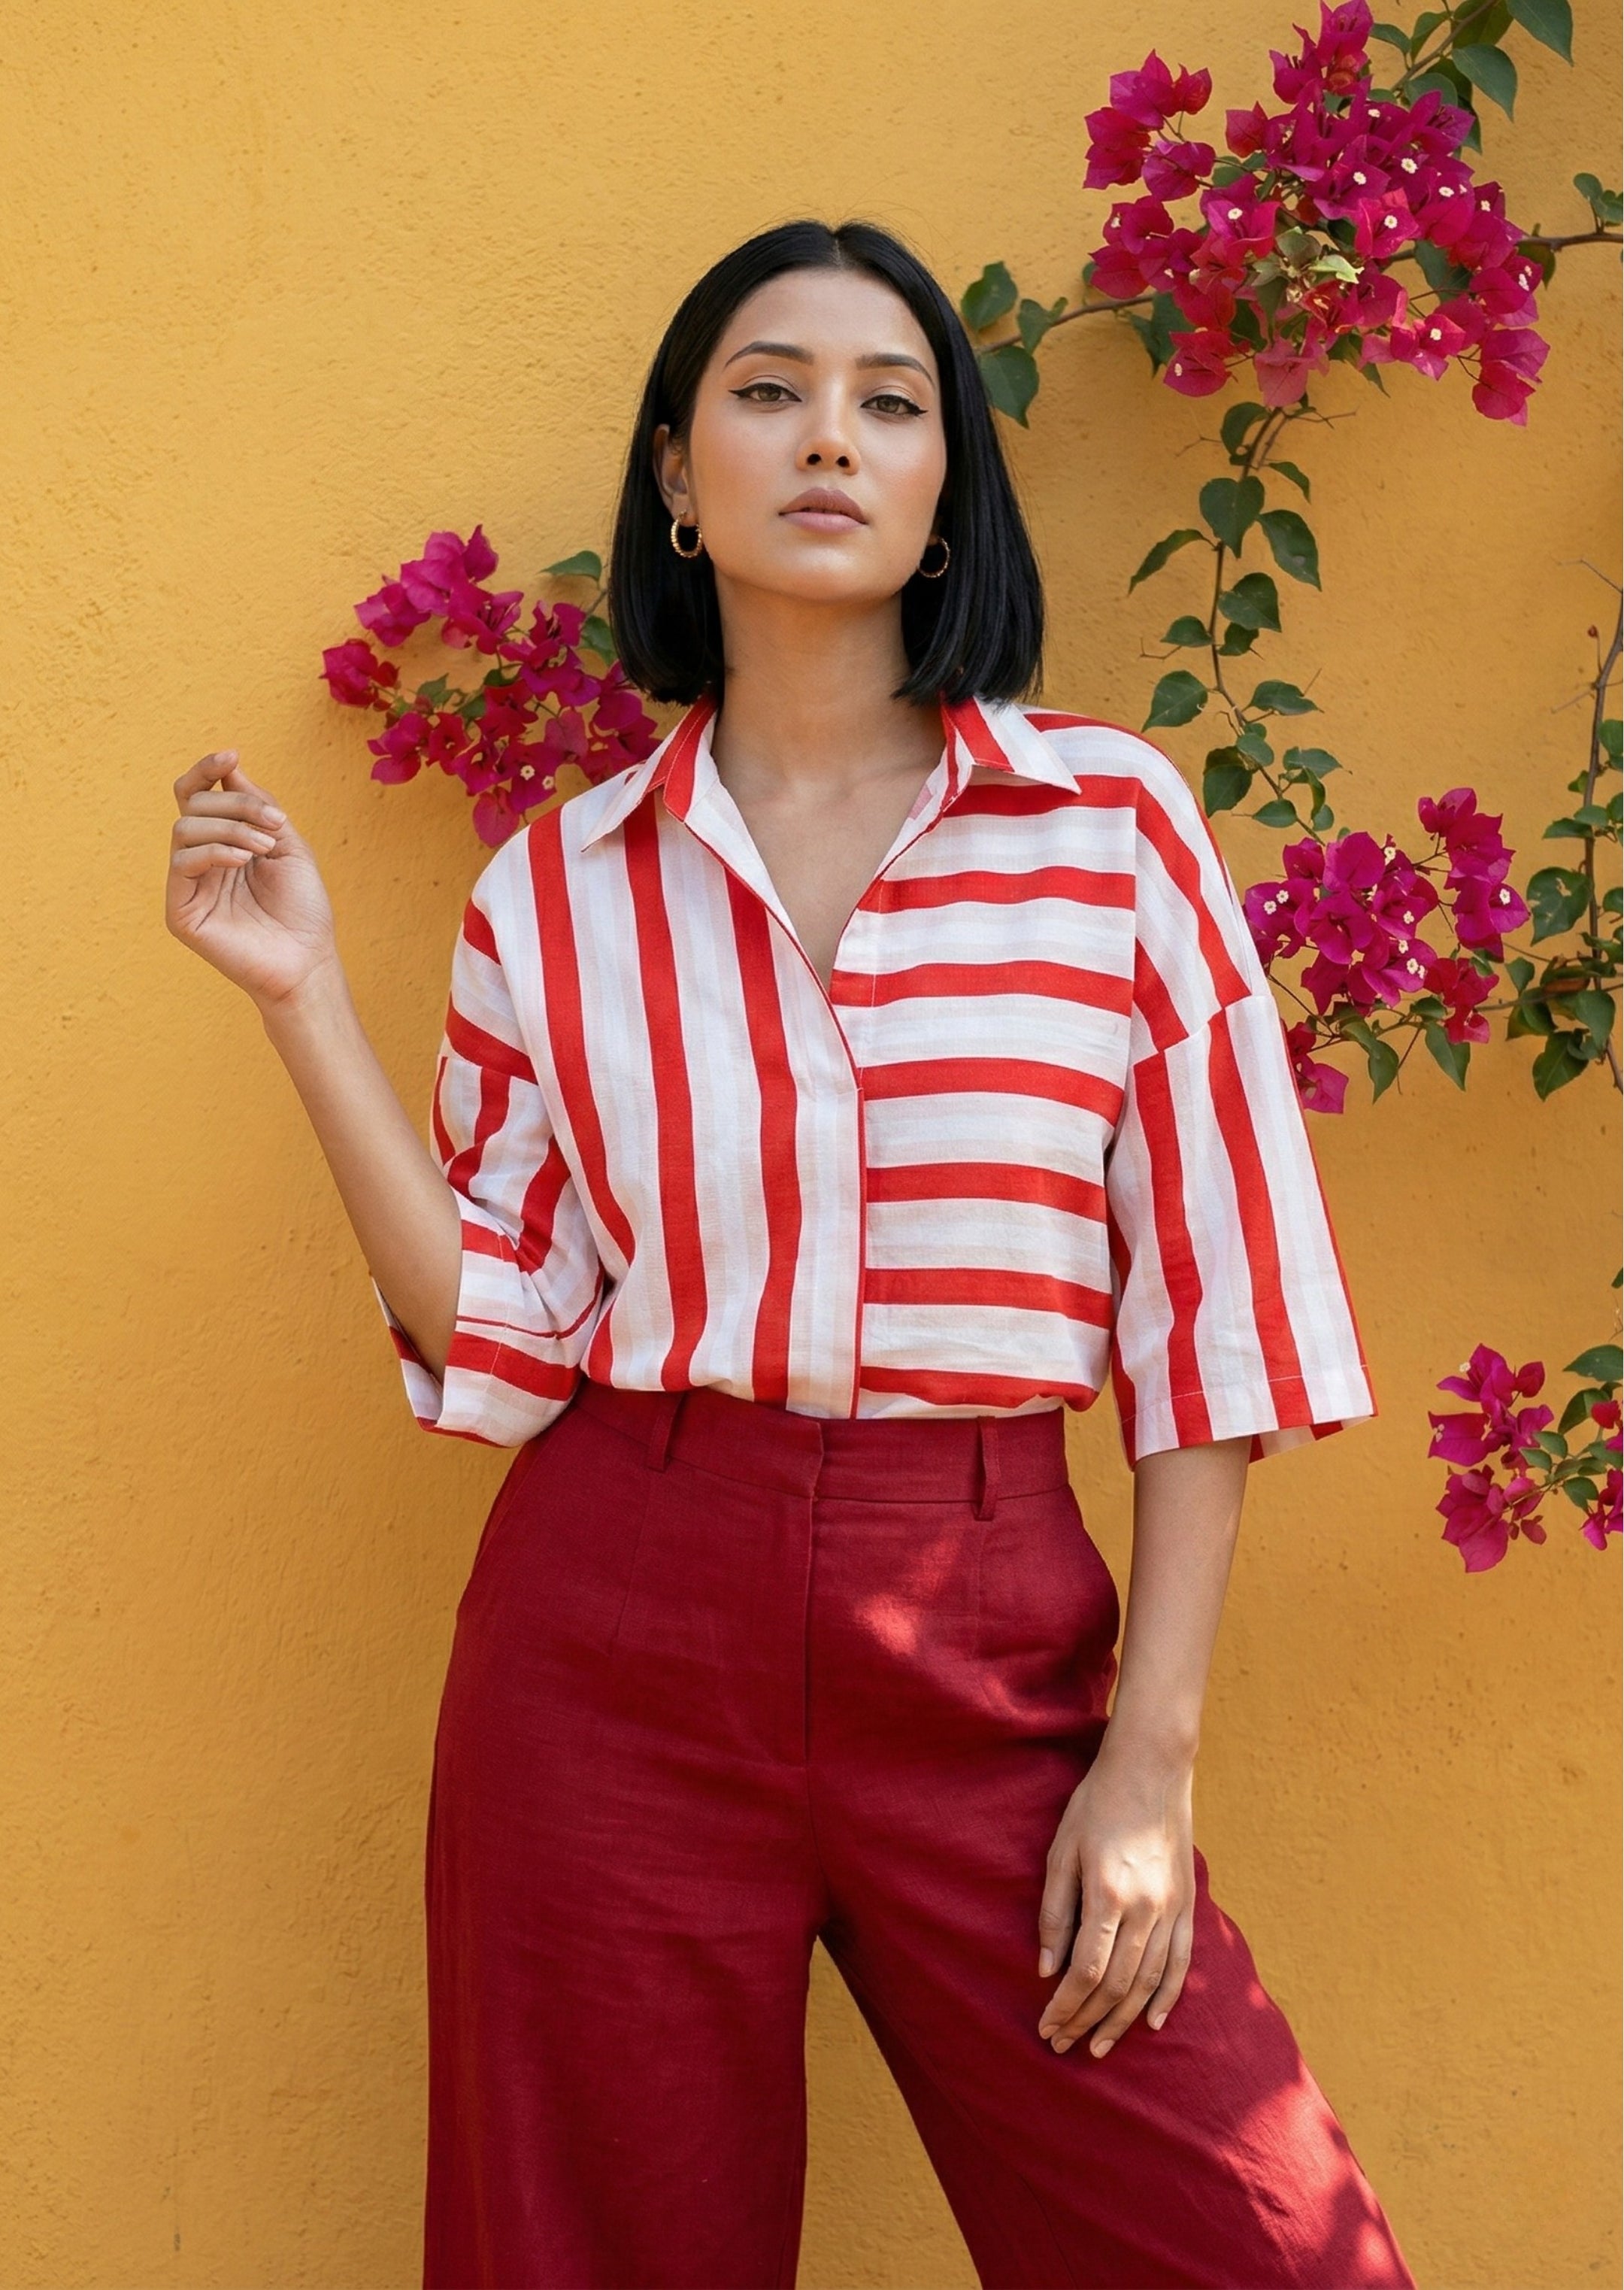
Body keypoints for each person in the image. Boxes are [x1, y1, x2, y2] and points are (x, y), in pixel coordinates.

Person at [165, 218, 1416, 2290]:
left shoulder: (1111, 828)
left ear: (946, 489)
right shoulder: (555, 892)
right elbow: (499, 1342)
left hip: (994, 1626)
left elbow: (1221, 1308)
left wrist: (1149, 1758)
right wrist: (305, 999)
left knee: (1258, 2245)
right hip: (614, 1634)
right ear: (678, 475)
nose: (829, 437)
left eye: (889, 399)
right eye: (768, 389)